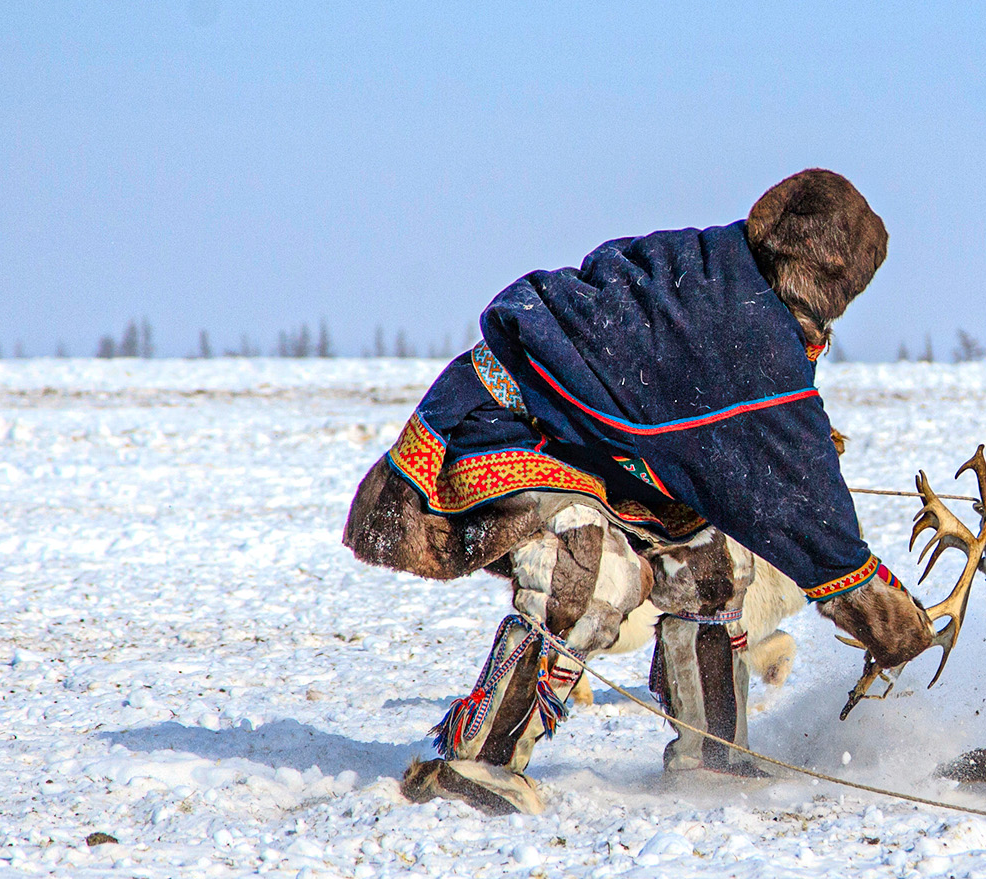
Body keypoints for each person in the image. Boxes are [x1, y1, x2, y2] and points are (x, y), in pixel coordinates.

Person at [342, 169, 934, 814]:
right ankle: (472, 760)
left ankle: (713, 760)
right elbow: (802, 500)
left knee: (712, 565)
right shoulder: (748, 332)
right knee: (592, 577)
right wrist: (884, 614)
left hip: (601, 452)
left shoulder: (719, 263)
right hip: (508, 425)